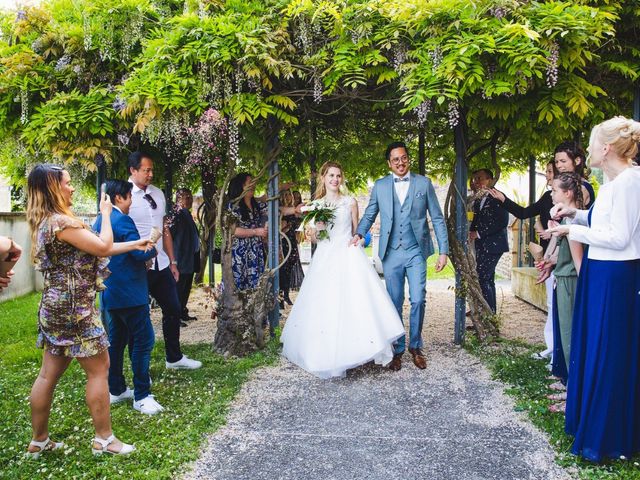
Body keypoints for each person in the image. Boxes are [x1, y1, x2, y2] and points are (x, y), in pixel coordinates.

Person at [25, 164, 152, 456]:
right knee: (100, 370)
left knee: (47, 375)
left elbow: (96, 247)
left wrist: (135, 242)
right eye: (67, 183)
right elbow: (104, 246)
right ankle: (104, 440)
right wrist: (105, 214)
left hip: (55, 306)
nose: (71, 187)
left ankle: (39, 441)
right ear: (53, 188)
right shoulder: (62, 223)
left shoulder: (46, 221)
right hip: (76, 310)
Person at [548, 116, 640, 462]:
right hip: (603, 271)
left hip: (615, 275)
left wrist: (572, 232)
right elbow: (605, 223)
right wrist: (574, 214)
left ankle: (608, 437)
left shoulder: (630, 182)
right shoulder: (616, 182)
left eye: (590, 144)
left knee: (608, 352)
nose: (586, 150)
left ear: (606, 148)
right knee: (596, 347)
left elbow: (619, 238)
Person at [281, 161, 405, 378]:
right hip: (326, 257)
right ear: (323, 178)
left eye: (338, 176)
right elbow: (314, 238)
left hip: (349, 255)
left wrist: (360, 242)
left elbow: (358, 232)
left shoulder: (350, 202)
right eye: (331, 175)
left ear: (342, 178)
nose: (335, 179)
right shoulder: (316, 206)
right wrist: (316, 230)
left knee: (356, 301)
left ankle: (359, 349)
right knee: (327, 304)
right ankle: (331, 354)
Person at [353, 141, 449, 371]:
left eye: (404, 157)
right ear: (389, 163)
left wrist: (443, 251)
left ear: (409, 158)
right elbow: (369, 213)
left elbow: (436, 217)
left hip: (416, 251)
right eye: (395, 159)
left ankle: (415, 346)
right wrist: (358, 234)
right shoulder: (380, 186)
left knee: (418, 299)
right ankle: (397, 350)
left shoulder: (424, 184)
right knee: (394, 302)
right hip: (391, 252)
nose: (400, 162)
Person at [94, 180, 163, 415]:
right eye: (129, 197)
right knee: (144, 341)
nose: (131, 201)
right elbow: (138, 253)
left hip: (110, 293)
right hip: (131, 294)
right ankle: (142, 394)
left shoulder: (99, 220)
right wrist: (153, 246)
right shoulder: (123, 220)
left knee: (117, 341)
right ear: (119, 198)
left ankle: (117, 389)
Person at [127, 152, 202, 370]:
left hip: (160, 262)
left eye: (152, 170)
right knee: (139, 315)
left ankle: (174, 357)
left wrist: (173, 261)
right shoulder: (124, 195)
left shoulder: (158, 193)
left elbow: (164, 229)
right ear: (133, 170)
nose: (150, 174)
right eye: (145, 170)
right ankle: (138, 365)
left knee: (173, 307)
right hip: (138, 264)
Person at [488, 160, 556, 360]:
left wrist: (550, 232)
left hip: (560, 255)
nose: (548, 175)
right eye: (547, 171)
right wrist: (503, 199)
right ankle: (552, 349)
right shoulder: (546, 197)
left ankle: (558, 352)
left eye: (550, 171)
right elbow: (524, 213)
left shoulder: (574, 194)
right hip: (546, 256)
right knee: (552, 305)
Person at [536, 173, 584, 413]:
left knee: (569, 339)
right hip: (562, 280)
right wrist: (550, 262)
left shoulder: (574, 224)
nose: (551, 194)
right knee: (564, 338)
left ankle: (573, 397)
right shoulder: (566, 222)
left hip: (570, 285)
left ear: (568, 194)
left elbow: (578, 263)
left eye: (554, 190)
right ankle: (569, 387)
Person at [469, 169, 509, 314]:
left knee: (482, 278)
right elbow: (476, 219)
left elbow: (502, 222)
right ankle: (489, 314)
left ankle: (488, 316)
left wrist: (478, 233)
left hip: (494, 245)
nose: (477, 182)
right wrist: (471, 232)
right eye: (475, 179)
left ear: (490, 180)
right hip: (482, 245)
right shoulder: (479, 198)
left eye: (480, 179)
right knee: (488, 279)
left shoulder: (498, 197)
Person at [228, 173, 269, 290]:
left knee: (256, 287)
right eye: (249, 183)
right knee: (239, 287)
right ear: (240, 186)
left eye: (253, 182)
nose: (253, 185)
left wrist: (294, 209)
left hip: (256, 251)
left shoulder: (257, 205)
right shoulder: (233, 206)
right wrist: (256, 232)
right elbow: (233, 230)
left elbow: (277, 209)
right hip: (240, 253)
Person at [169, 188, 201, 324]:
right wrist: (173, 260)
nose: (189, 200)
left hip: (190, 258)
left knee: (186, 287)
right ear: (178, 199)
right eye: (185, 197)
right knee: (178, 289)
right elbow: (170, 237)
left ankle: (182, 311)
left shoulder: (187, 214)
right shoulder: (176, 215)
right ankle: (175, 316)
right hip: (180, 259)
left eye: (190, 197)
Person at [279, 189, 304, 306]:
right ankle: (280, 298)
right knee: (282, 270)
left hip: (292, 241)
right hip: (284, 242)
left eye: (290, 194)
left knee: (289, 270)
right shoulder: (281, 210)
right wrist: (286, 227)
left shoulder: (293, 210)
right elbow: (280, 228)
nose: (289, 196)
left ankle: (286, 295)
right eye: (287, 194)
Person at [553, 141, 595, 209]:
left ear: (577, 160)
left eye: (563, 161)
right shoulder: (569, 184)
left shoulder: (582, 187)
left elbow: (572, 215)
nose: (558, 165)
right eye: (556, 162)